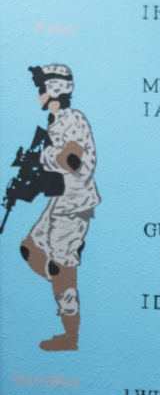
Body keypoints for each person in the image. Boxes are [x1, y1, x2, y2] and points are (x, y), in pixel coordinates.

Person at [19, 64, 100, 351]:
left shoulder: (73, 120)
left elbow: (72, 160)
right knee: (30, 250)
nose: (38, 95)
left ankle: (70, 334)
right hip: (60, 201)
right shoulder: (57, 121)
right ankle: (63, 274)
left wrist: (42, 158)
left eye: (41, 89)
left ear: (52, 91)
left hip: (74, 205)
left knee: (61, 267)